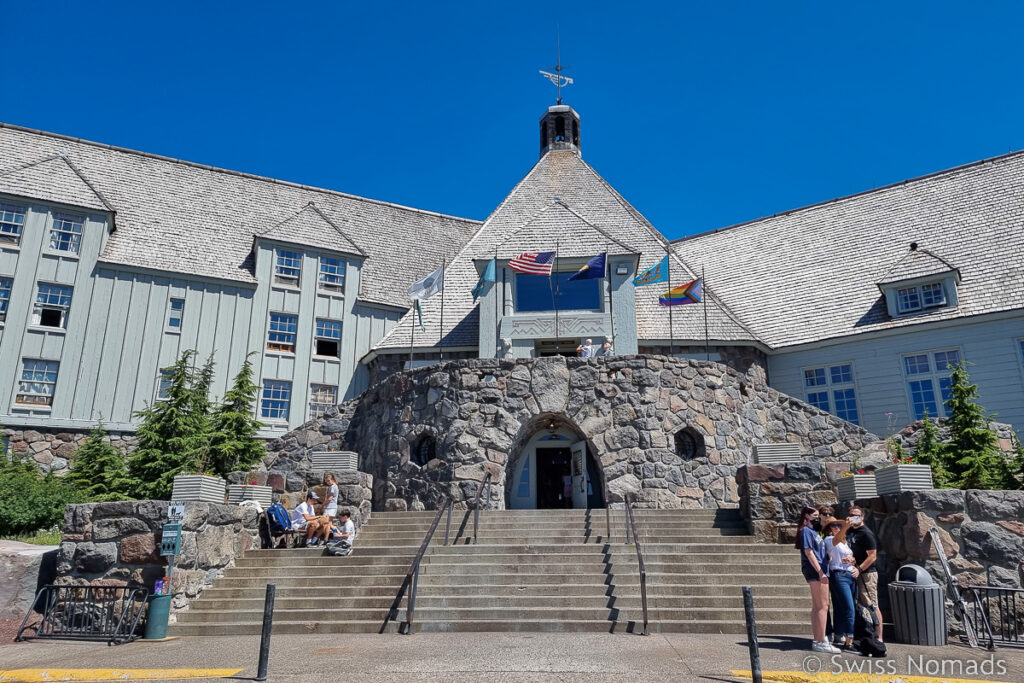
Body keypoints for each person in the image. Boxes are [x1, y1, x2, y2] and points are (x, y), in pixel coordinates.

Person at [795, 506, 840, 654]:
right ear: (807, 516)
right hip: (816, 571)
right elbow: (809, 553)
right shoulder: (806, 531)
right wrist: (820, 571)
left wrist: (827, 557)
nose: (818, 517)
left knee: (818, 606)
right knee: (823, 605)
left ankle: (819, 638)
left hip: (820, 569)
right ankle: (821, 640)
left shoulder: (813, 531)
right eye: (815, 515)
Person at [846, 506, 884, 642]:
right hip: (854, 573)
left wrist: (860, 569)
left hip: (867, 574)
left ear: (862, 517)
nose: (853, 517)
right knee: (861, 606)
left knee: (872, 605)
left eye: (856, 515)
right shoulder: (849, 531)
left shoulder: (866, 533)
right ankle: (866, 635)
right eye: (851, 515)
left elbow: (872, 556)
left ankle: (879, 638)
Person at [824, 518, 857, 650]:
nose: (837, 527)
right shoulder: (828, 539)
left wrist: (852, 560)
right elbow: (836, 538)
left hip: (849, 575)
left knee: (841, 607)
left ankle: (839, 633)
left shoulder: (845, 542)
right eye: (834, 525)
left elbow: (852, 558)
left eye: (839, 525)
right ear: (829, 528)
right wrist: (846, 526)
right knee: (849, 608)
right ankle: (849, 639)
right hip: (839, 575)